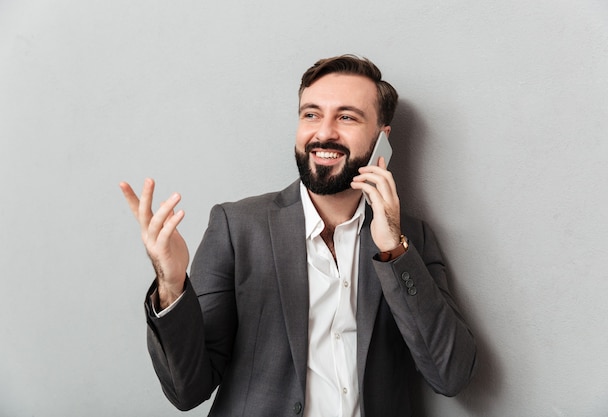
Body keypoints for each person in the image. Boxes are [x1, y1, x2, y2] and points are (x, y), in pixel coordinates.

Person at [120, 54, 476, 417]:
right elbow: (187, 391)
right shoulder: (237, 227)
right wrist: (171, 283)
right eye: (311, 114)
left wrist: (394, 252)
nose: (323, 133)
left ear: (382, 138)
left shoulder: (411, 239)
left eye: (347, 117)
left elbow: (450, 375)